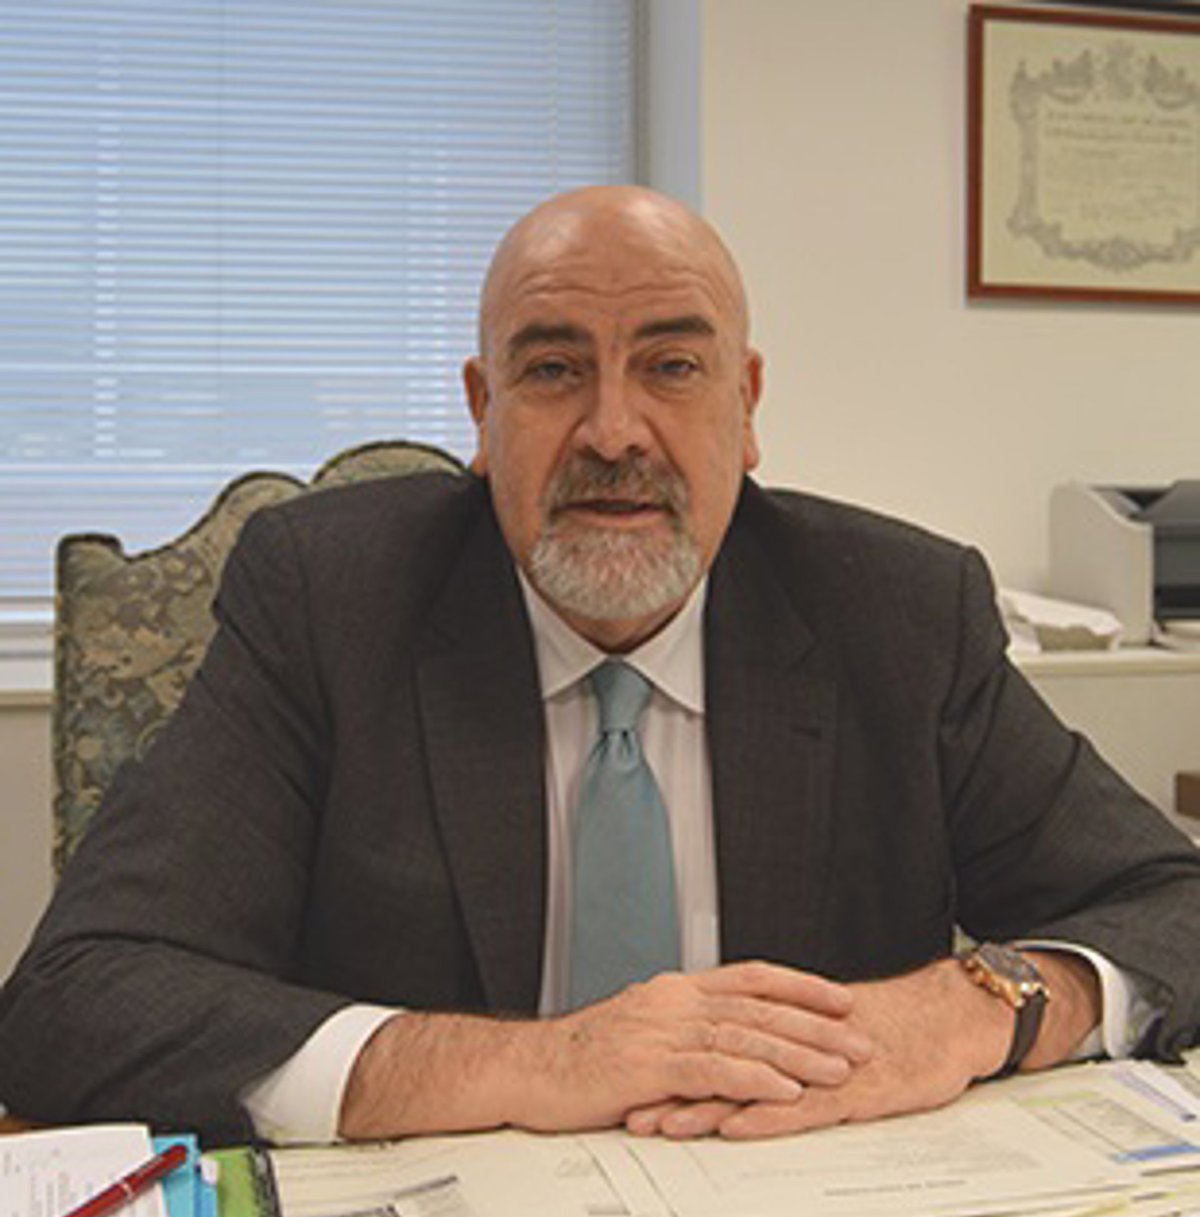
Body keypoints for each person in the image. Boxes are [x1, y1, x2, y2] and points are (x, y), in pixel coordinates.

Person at [2, 186, 1199, 1149]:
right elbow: (77, 996)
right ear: (483, 410)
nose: (615, 431)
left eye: (672, 366)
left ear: (747, 404)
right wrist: (538, 1061)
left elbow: (1173, 904)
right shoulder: (330, 602)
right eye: (553, 370)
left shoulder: (898, 614)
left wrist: (984, 1004)